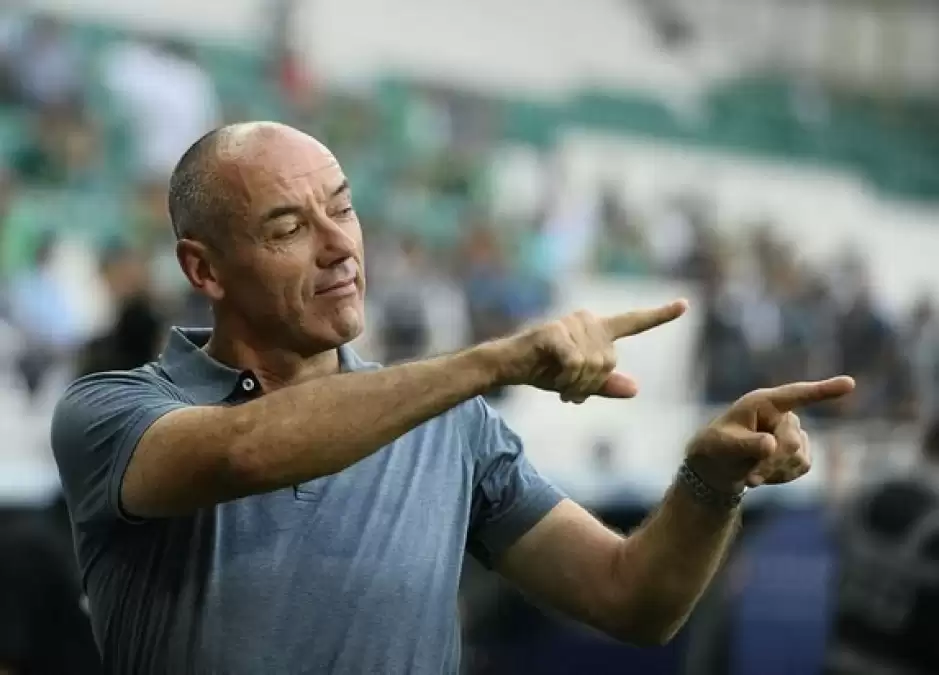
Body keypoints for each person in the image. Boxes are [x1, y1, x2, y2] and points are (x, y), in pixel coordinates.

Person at [50, 122, 855, 675]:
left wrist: (710, 482)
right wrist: (493, 361)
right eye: (289, 227)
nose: (339, 246)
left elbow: (631, 599)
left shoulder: (450, 425)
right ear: (204, 269)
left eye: (343, 207)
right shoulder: (112, 415)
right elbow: (246, 449)